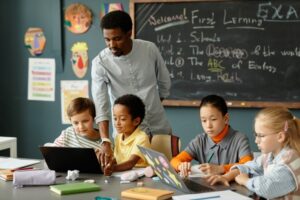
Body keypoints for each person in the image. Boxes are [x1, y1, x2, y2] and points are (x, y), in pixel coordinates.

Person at [91, 10, 172, 158]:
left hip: (158, 128)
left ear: (129, 33)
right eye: (107, 40)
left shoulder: (149, 49)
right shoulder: (100, 63)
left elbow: (164, 84)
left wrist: (152, 104)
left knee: (162, 176)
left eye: (117, 39)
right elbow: (101, 105)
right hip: (125, 136)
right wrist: (105, 140)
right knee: (127, 176)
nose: (111, 45)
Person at [207, 107, 300, 199]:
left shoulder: (289, 163)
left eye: (261, 136)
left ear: (280, 137)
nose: (256, 140)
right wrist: (227, 177)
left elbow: (266, 188)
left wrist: (245, 181)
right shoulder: (269, 155)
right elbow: (250, 167)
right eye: (256, 135)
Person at [170, 94, 253, 177]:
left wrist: (221, 169)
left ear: (226, 119)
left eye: (213, 119)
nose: (208, 125)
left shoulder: (240, 139)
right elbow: (174, 161)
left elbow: (247, 166)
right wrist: (180, 166)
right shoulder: (200, 141)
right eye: (204, 120)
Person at [102, 94, 151, 176]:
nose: (117, 123)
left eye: (122, 119)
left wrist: (112, 168)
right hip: (121, 174)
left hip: (139, 176)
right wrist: (108, 163)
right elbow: (117, 159)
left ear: (136, 121)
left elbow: (131, 163)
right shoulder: (118, 137)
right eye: (115, 118)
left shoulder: (142, 138)